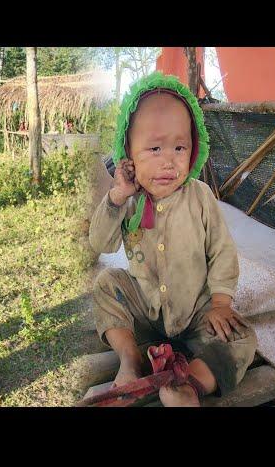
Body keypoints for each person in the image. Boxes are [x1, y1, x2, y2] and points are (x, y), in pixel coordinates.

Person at [88, 72, 257, 407]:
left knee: (242, 336)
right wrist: (117, 198)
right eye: (154, 148)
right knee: (107, 283)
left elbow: (222, 250)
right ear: (129, 155)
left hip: (197, 312)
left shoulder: (201, 196)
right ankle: (130, 360)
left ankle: (187, 384)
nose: (169, 161)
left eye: (180, 147)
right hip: (146, 311)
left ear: (194, 149)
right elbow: (101, 243)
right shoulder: (129, 200)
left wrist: (221, 304)